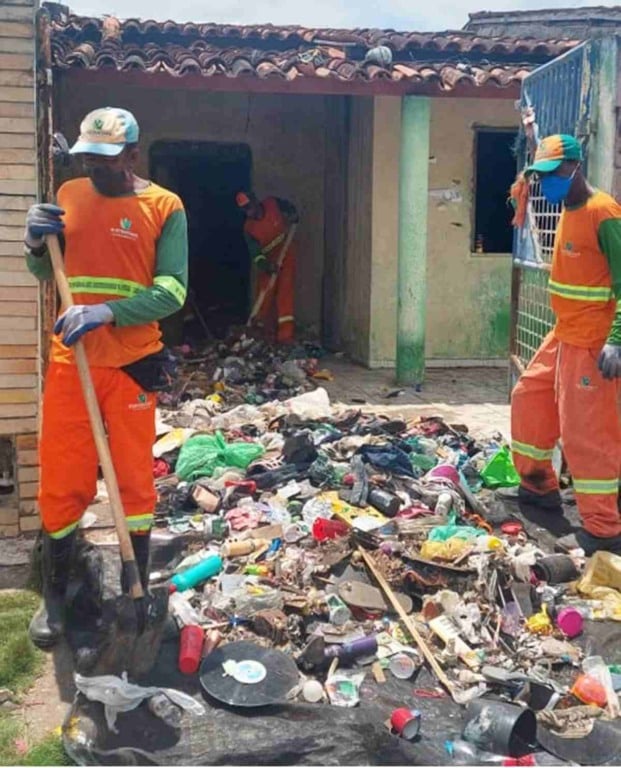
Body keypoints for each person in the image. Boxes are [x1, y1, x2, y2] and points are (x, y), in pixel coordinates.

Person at [23, 107, 188, 648]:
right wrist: (34, 245)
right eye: (88, 160)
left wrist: (106, 313)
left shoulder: (164, 207)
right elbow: (52, 270)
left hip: (132, 361)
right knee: (62, 479)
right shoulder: (70, 194)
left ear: (133, 155)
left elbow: (173, 291)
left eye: (106, 161)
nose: (94, 170)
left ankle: (132, 585)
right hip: (74, 365)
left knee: (134, 480)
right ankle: (55, 598)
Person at [511, 134, 621, 555]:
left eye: (554, 174)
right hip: (564, 331)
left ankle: (603, 527)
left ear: (576, 168)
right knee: (529, 397)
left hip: (592, 339)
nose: (547, 183)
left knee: (585, 435)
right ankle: (538, 486)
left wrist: (616, 340)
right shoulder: (567, 210)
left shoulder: (603, 213)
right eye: (541, 176)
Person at [236, 191, 298, 344]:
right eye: (245, 209)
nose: (249, 211)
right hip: (268, 259)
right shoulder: (249, 228)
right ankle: (263, 334)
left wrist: (292, 214)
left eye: (250, 206)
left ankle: (285, 336)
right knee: (265, 296)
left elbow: (288, 207)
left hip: (285, 253)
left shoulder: (272, 204)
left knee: (285, 292)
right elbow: (256, 254)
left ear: (256, 201)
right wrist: (266, 266)